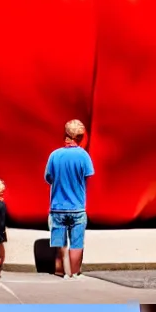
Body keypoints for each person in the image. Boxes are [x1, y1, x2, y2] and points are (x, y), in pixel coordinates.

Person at [44, 119, 95, 278]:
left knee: (59, 243)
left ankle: (60, 271)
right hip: (78, 207)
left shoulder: (54, 155)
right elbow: (87, 177)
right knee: (77, 243)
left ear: (65, 134)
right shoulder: (84, 156)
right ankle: (73, 272)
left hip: (57, 206)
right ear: (79, 137)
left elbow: (48, 178)